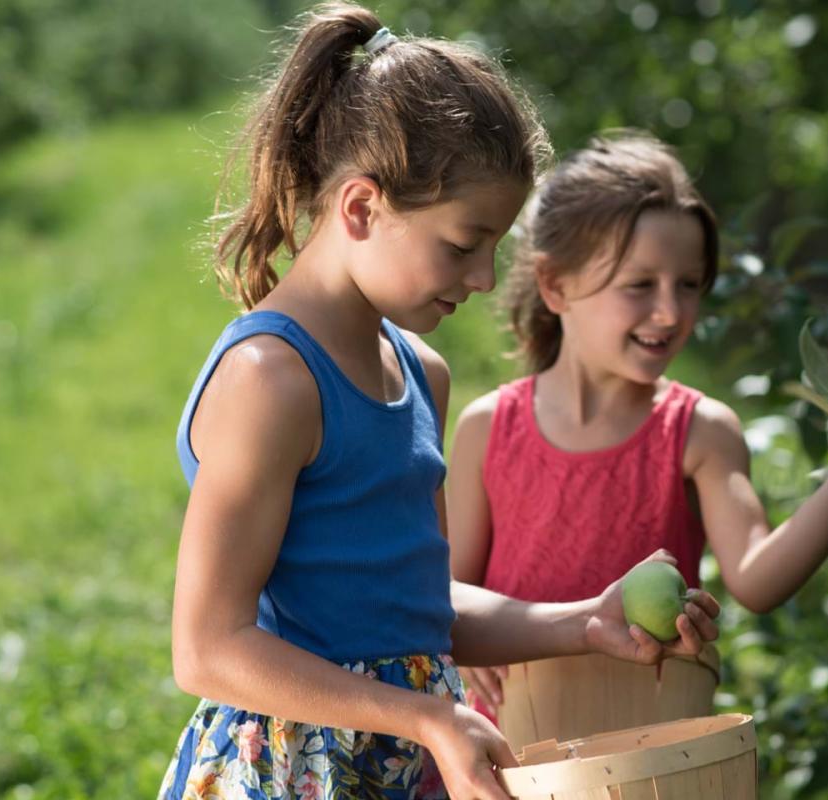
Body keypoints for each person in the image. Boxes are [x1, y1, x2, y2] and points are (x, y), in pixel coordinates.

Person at [158, 12, 720, 800]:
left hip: (409, 761)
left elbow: (418, 606)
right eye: (463, 245)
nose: (487, 278)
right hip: (293, 774)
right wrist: (424, 718)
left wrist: (584, 620)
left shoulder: (420, 372)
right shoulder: (273, 380)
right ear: (361, 209)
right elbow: (208, 649)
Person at [447, 132, 828, 714]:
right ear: (556, 285)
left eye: (689, 285)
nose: (670, 312)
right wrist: (465, 653)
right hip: (514, 754)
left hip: (650, 747)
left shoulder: (697, 430)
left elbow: (757, 578)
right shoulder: (488, 427)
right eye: (640, 285)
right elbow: (446, 598)